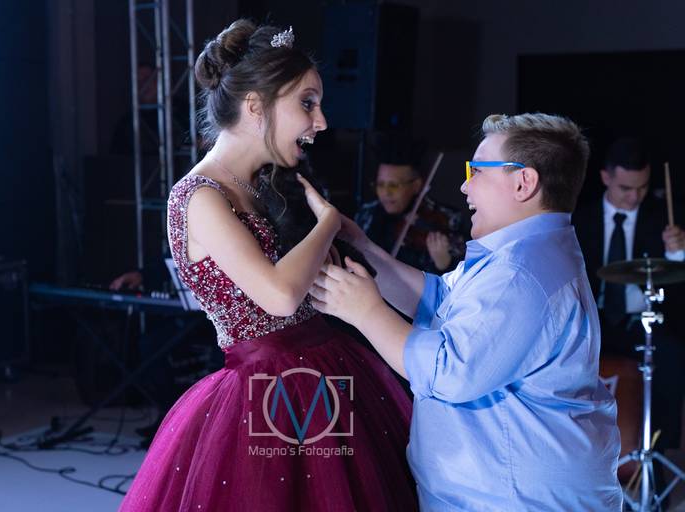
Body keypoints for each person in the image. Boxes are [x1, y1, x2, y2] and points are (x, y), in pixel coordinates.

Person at [119, 20, 417, 511]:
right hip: (266, 388)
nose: (321, 122)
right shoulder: (198, 196)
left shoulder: (264, 185)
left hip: (328, 367)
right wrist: (327, 223)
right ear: (256, 105)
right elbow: (279, 296)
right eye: (307, 103)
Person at [311, 113, 623, 510]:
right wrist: (365, 249)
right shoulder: (525, 251)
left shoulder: (521, 273)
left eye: (476, 170)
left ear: (523, 183)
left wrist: (366, 312)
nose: (464, 185)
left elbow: (449, 372)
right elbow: (442, 299)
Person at [573, 137, 685, 456]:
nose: (634, 196)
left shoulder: (665, 218)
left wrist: (678, 254)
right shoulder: (580, 219)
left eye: (642, 188)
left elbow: (676, 290)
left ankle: (657, 453)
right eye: (625, 188)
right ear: (605, 177)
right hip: (594, 322)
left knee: (672, 356)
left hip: (641, 323)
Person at [354, 136, 467, 274]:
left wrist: (445, 265)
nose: (386, 192)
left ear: (416, 185)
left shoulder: (448, 219)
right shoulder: (367, 214)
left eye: (394, 185)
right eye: (380, 184)